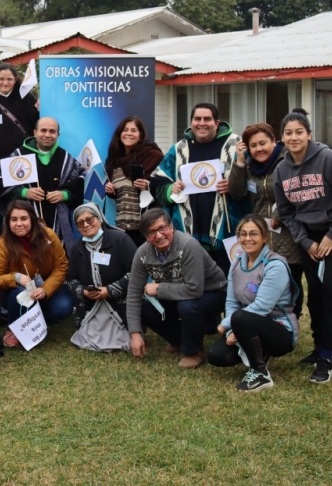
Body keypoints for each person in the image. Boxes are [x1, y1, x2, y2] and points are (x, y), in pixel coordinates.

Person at [274, 108, 332, 385]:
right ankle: (318, 347)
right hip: (310, 237)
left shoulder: (327, 158)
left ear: (309, 134)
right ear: (282, 138)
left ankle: (327, 355)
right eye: (288, 133)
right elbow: (287, 212)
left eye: (299, 132)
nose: (294, 137)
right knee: (315, 294)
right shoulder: (281, 170)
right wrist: (306, 241)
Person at [150, 102, 246, 275]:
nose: (202, 123)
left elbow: (254, 180)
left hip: (226, 233)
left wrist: (234, 185)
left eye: (207, 119)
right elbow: (157, 181)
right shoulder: (179, 148)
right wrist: (171, 189)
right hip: (187, 233)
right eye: (197, 119)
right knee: (191, 284)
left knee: (227, 283)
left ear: (217, 123)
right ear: (191, 123)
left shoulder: (235, 145)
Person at [126, 208, 228, 368]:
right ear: (146, 237)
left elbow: (194, 289)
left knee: (187, 305)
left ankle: (194, 352)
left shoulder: (188, 245)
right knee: (147, 310)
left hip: (213, 292)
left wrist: (159, 289)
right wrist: (135, 333)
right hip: (179, 291)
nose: (159, 235)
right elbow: (133, 293)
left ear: (171, 227)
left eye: (162, 228)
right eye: (152, 232)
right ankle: (182, 340)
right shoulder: (142, 253)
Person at [207, 215, 299, 392]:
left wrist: (229, 324)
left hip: (280, 329)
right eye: (243, 234)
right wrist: (234, 328)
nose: (247, 239)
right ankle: (260, 351)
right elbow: (231, 302)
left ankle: (260, 373)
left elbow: (262, 307)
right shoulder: (235, 264)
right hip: (244, 324)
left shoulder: (275, 265)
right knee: (216, 356)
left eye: (253, 234)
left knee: (242, 317)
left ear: (264, 237)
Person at [227, 122, 304, 316]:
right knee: (262, 277)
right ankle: (263, 317)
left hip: (288, 230)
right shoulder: (251, 167)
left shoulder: (288, 161)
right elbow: (236, 191)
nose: (258, 149)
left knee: (290, 277)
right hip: (262, 232)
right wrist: (240, 162)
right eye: (253, 146)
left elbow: (296, 190)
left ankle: (288, 320)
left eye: (263, 143)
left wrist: (279, 215)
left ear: (273, 141)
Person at [0, 200, 73, 347]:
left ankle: (31, 322)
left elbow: (61, 266)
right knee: (21, 292)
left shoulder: (49, 236)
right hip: (15, 293)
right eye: (14, 220)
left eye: (23, 218)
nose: (19, 224)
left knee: (64, 307)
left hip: (43, 286)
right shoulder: (1, 243)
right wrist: (16, 277)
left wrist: (46, 289)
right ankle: (14, 328)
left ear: (32, 219)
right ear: (8, 222)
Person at [0, 62, 39, 236]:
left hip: (22, 158)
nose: (5, 83)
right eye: (1, 79)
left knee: (21, 197)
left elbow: (35, 125)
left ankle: (24, 237)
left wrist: (37, 110)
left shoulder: (26, 98)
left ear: (15, 79)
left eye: (9, 79)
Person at [0, 117, 85, 247]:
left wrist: (64, 195)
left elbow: (79, 180)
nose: (47, 135)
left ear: (58, 135)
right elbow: (1, 185)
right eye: (43, 130)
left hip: (57, 222)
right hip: (25, 219)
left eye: (52, 131)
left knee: (57, 258)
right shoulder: (18, 155)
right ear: (35, 132)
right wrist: (24, 192)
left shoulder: (66, 158)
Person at [65, 203, 138, 352]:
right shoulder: (76, 248)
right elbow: (70, 279)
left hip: (119, 303)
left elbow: (136, 273)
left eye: (89, 219)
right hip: (91, 306)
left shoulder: (121, 239)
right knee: (86, 336)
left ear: (100, 219)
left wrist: (110, 290)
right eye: (80, 223)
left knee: (125, 337)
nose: (85, 224)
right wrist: (84, 292)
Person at [104, 116, 165, 247]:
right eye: (125, 130)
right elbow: (119, 192)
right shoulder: (114, 159)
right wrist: (110, 191)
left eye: (134, 130)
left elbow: (164, 186)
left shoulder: (153, 155)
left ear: (141, 135)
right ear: (120, 133)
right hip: (123, 225)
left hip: (148, 225)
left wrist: (148, 186)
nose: (129, 134)